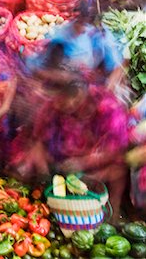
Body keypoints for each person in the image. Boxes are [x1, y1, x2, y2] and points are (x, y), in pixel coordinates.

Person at [8, 43, 130, 220]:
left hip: (93, 166)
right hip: (60, 165)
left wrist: (82, 163)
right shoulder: (53, 106)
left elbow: (115, 151)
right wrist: (41, 169)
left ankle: (113, 212)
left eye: (60, 101)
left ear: (77, 95)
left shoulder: (107, 107)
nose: (55, 105)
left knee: (117, 168)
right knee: (25, 164)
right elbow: (38, 140)